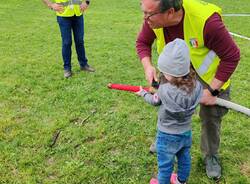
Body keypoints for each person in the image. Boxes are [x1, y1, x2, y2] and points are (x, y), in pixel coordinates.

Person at [136, 0, 240, 179]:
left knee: (211, 116)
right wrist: (148, 66)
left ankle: (210, 155)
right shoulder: (153, 20)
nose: (145, 18)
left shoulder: (207, 22)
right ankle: (166, 140)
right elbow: (143, 43)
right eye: (143, 11)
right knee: (167, 105)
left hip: (209, 76)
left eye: (149, 14)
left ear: (169, 12)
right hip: (173, 72)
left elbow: (232, 56)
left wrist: (213, 90)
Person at [136, 39, 203, 184]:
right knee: (184, 158)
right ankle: (181, 181)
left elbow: (154, 101)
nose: (162, 74)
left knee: (165, 164)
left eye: (164, 71)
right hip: (185, 133)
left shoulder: (164, 90)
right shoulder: (196, 85)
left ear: (171, 72)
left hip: (167, 135)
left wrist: (143, 93)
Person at [42, 0, 95, 78]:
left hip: (78, 13)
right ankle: (67, 69)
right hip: (63, 15)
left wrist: (87, 2)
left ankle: (84, 65)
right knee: (67, 42)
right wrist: (51, 5)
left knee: (80, 41)